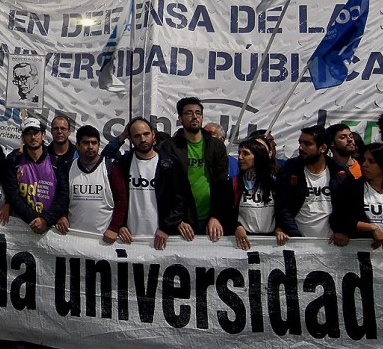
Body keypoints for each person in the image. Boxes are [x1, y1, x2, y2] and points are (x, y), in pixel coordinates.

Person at [164, 98, 235, 244]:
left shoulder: (216, 146)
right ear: (180, 118)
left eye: (198, 113)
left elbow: (222, 183)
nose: (194, 116)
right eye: (189, 113)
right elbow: (165, 187)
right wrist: (176, 219)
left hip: (210, 219)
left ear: (202, 117)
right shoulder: (170, 147)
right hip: (182, 220)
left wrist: (216, 216)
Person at [106, 117, 178, 247]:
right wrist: (120, 225)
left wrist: (166, 227)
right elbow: (117, 198)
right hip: (129, 237)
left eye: (146, 134)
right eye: (137, 136)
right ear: (130, 138)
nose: (143, 139)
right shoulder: (123, 163)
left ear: (153, 134)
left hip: (161, 236)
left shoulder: (169, 164)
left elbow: (179, 200)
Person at [277, 127, 348, 240]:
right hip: (298, 242)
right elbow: (283, 208)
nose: (301, 148)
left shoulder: (339, 172)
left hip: (333, 243)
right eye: (300, 143)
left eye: (307, 144)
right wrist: (295, 237)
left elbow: (348, 207)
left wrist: (342, 230)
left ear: (322, 148)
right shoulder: (290, 170)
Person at [0, 117, 69, 234]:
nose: (33, 137)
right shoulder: (14, 160)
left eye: (36, 133)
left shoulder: (57, 162)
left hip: (49, 226)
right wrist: (34, 219)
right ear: (23, 138)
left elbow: (63, 197)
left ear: (43, 135)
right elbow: (13, 195)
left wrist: (46, 220)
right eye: (28, 134)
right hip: (19, 226)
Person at [58, 125, 112, 237]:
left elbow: (121, 201)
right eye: (86, 143)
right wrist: (62, 215)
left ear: (99, 145)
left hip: (104, 237)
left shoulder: (110, 167)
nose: (90, 146)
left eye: (94, 143)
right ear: (77, 145)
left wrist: (115, 227)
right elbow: (61, 197)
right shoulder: (68, 167)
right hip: (73, 235)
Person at [232, 137, 284, 249]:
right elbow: (227, 212)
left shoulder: (275, 182)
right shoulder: (233, 183)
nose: (240, 157)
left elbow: (284, 209)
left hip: (272, 242)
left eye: (246, 153)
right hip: (243, 241)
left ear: (258, 156)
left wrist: (281, 227)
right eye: (239, 153)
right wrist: (236, 226)